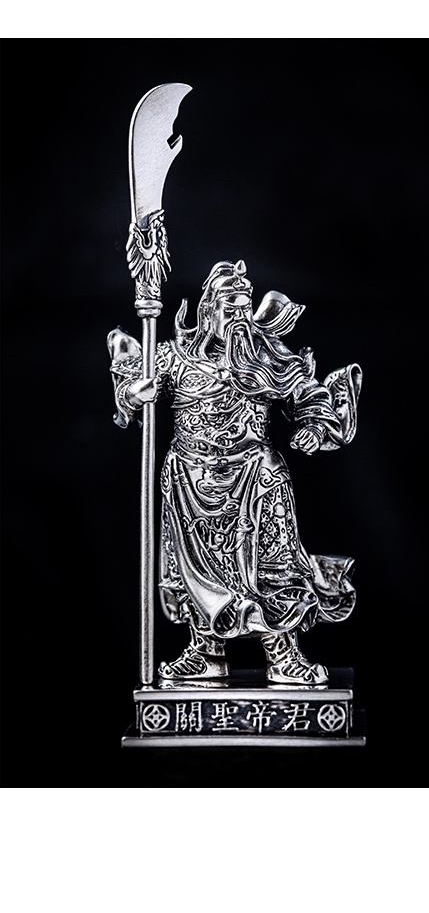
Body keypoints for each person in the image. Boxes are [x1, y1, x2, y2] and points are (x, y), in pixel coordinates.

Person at [108, 260, 362, 685]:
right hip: (190, 481)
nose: (239, 317)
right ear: (209, 310)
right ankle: (206, 652)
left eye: (244, 308)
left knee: (271, 565)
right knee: (195, 571)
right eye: (230, 308)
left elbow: (306, 392)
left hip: (256, 478)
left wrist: (315, 426)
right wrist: (134, 395)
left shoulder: (263, 355)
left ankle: (283, 654)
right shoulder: (174, 357)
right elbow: (125, 401)